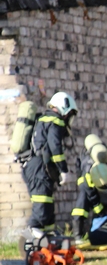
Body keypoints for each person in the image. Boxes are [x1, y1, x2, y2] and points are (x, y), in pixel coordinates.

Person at [21, 92, 78, 235]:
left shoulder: (45, 119)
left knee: (48, 210)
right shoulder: (55, 121)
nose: (69, 118)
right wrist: (63, 170)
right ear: (64, 108)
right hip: (38, 168)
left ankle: (48, 243)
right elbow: (55, 146)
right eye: (70, 114)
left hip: (36, 166)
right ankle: (29, 239)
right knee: (41, 207)